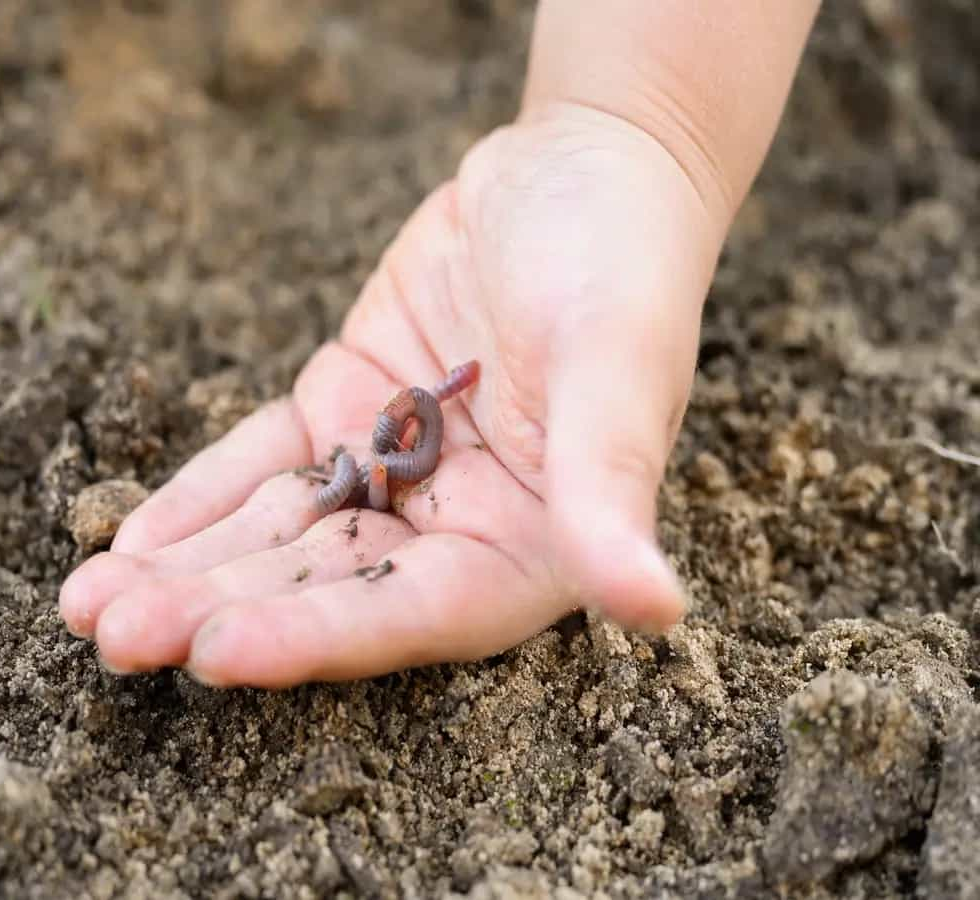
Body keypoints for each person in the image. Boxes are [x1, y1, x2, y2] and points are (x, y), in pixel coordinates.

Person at [59, 2, 823, 687]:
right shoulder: (398, 442)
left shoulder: (414, 430)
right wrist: (615, 115)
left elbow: (411, 434)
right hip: (380, 462)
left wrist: (635, 135)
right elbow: (390, 453)